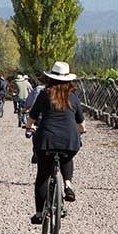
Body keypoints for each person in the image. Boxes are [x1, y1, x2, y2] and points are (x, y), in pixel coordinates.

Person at [25, 61, 86, 224]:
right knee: (66, 157)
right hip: (69, 140)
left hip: (46, 140)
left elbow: (31, 117)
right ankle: (67, 184)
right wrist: (80, 131)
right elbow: (81, 123)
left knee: (42, 176)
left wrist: (30, 127)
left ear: (50, 78)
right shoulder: (73, 97)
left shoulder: (44, 94)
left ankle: (39, 214)